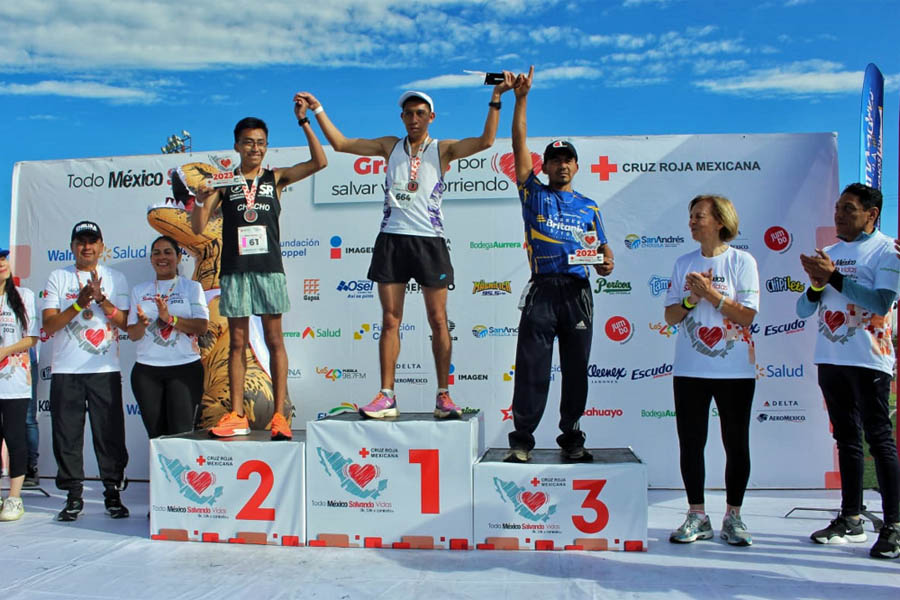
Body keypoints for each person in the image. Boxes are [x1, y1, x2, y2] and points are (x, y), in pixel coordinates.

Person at [297, 73, 515, 419]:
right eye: (408, 113)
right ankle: (387, 395)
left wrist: (496, 97)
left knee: (438, 320)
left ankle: (443, 396)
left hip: (430, 241)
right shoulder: (388, 146)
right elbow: (340, 144)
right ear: (402, 118)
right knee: (390, 320)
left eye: (420, 113)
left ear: (431, 117)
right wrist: (317, 109)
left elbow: (487, 141)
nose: (414, 119)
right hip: (392, 239)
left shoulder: (443, 149)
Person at [192, 95, 327, 439]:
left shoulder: (276, 177)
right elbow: (196, 227)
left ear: (267, 147)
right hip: (235, 271)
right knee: (237, 342)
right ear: (237, 145)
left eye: (261, 143)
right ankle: (236, 414)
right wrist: (199, 198)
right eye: (249, 143)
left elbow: (319, 161)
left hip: (269, 269)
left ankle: (280, 416)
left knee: (274, 340)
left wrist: (304, 121)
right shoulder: (224, 183)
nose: (255, 149)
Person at [503, 66, 614, 464]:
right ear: (544, 166)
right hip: (542, 291)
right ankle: (522, 440)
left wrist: (605, 262)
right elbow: (518, 145)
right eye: (555, 160)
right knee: (532, 368)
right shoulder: (532, 193)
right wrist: (521, 98)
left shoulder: (590, 206)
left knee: (576, 371)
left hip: (577, 292)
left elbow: (604, 253)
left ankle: (571, 437)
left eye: (568, 160)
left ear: (576, 166)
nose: (562, 165)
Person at [798, 183, 899, 559]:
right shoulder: (831, 253)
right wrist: (815, 283)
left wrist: (835, 278)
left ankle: (894, 525)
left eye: (849, 209)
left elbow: (881, 302)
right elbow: (803, 311)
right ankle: (851, 517)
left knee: (879, 440)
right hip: (831, 357)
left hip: (869, 358)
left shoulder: (887, 251)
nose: (838, 214)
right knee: (847, 440)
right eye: (838, 207)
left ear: (871, 215)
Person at [663, 194, 759, 546]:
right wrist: (691, 298)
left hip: (735, 370)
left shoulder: (742, 261)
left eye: (698, 216)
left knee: (736, 443)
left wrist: (712, 295)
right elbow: (671, 316)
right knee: (691, 443)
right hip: (690, 368)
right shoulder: (683, 263)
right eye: (690, 215)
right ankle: (696, 514)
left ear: (719, 221)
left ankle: (734, 516)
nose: (691, 221)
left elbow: (747, 315)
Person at [41, 221, 131, 521]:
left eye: (93, 241)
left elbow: (125, 324)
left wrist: (101, 299)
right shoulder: (58, 277)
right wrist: (79, 304)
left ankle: (112, 492)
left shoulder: (116, 278)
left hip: (104, 368)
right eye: (81, 241)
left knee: (109, 434)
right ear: (72, 247)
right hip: (66, 370)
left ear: (102, 247)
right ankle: (73, 496)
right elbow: (50, 325)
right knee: (67, 435)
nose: (87, 247)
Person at [127, 236, 209, 438]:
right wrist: (141, 324)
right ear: (151, 259)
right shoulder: (139, 291)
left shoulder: (191, 288)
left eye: (167, 252)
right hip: (147, 372)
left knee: (181, 435)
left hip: (185, 370)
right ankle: (159, 470)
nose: (161, 257)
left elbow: (202, 327)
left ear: (179, 257)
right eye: (156, 253)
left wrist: (170, 318)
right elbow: (133, 335)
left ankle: (183, 471)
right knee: (156, 436)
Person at [0, 250, 38, 521]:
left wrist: (4, 351)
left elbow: (32, 337)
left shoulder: (23, 296)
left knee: (15, 436)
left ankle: (14, 497)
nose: (1, 264)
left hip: (14, 379)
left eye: (3, 259)